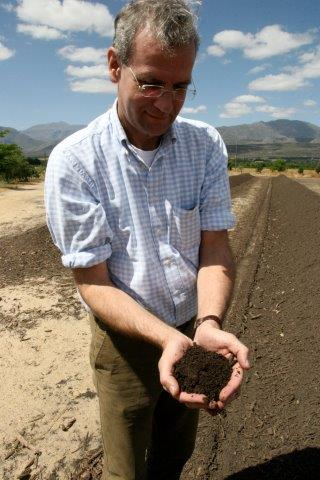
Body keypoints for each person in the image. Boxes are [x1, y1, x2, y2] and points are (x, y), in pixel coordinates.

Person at [45, 1, 250, 478]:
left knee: (174, 454)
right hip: (124, 345)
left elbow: (215, 246)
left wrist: (208, 323)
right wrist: (164, 339)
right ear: (115, 65)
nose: (166, 103)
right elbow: (93, 282)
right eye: (151, 82)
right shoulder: (74, 162)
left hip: (193, 331)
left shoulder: (205, 145)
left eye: (181, 87)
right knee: (126, 468)